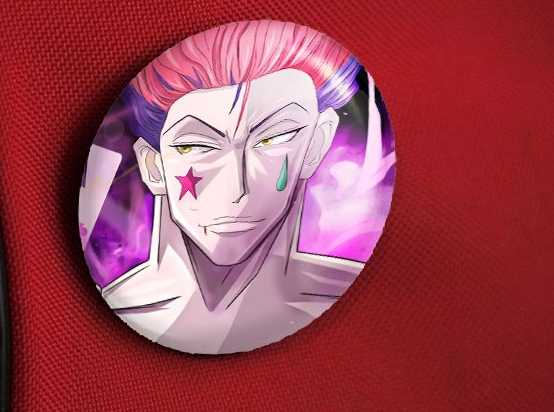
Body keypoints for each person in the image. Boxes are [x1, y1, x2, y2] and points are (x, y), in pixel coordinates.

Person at [99, 20, 370, 354]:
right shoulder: (123, 301)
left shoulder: (358, 300)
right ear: (153, 167)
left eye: (274, 138)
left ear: (316, 144)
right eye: (195, 146)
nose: (237, 188)